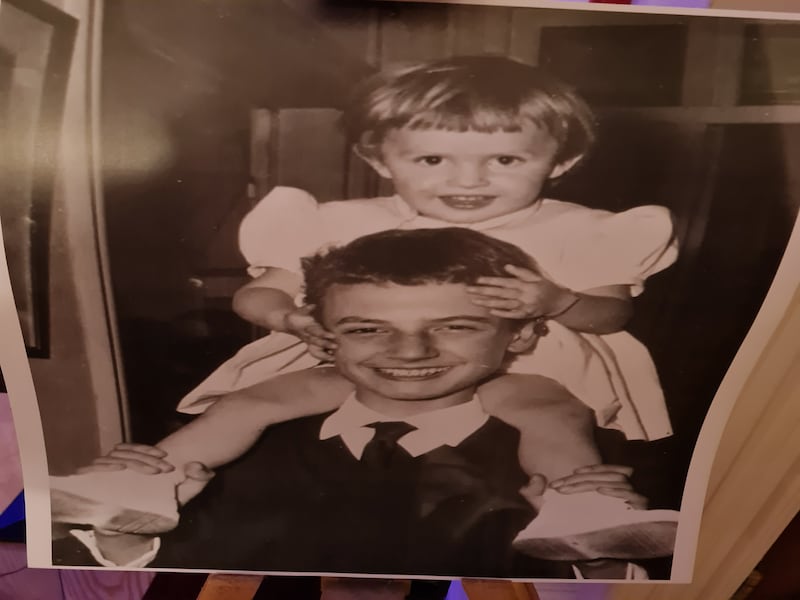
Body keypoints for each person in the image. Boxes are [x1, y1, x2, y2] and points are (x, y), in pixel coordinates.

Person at [51, 55, 678, 556]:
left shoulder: (583, 230)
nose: (468, 181)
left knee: (550, 413)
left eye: (505, 160)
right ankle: (148, 483)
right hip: (340, 363)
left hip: (538, 362)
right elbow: (258, 293)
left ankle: (579, 506)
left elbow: (612, 314)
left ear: (560, 160)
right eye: (433, 159)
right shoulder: (338, 222)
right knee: (256, 400)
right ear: (380, 158)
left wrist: (557, 299)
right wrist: (288, 317)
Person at [53, 229, 674, 578]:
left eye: (456, 325)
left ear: (523, 335)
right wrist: (125, 538)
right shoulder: (242, 447)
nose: (409, 350)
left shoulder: (578, 466)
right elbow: (170, 574)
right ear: (324, 336)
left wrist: (602, 562)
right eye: (366, 329)